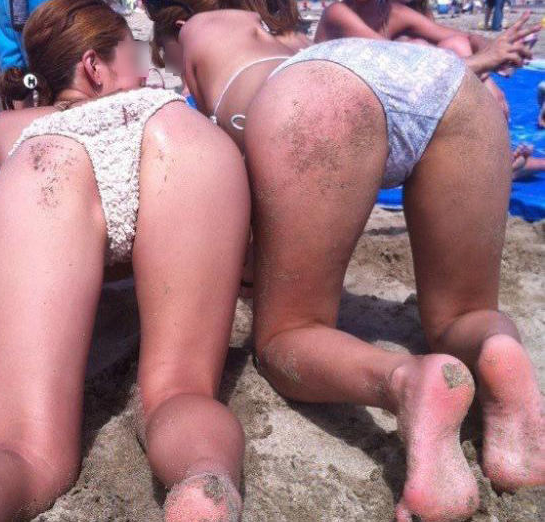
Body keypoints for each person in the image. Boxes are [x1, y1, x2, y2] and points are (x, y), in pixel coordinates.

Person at [148, 2, 545, 520]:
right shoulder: (281, 29)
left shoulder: (199, 29)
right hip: (445, 83)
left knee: (287, 338)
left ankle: (406, 381)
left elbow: (223, 171)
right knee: (462, 314)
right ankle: (496, 347)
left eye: (166, 57)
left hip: (319, 98)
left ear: (177, 26)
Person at [0, 1, 251, 521]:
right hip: (180, 149)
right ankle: (205, 479)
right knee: (180, 393)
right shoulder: (164, 107)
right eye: (135, 55)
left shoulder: (11, 126)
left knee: (24, 455)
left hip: (48, 167)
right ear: (94, 66)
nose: (146, 70)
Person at [313, 0, 535, 118]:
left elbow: (464, 37)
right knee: (418, 47)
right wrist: (484, 64)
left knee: (455, 44)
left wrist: (496, 48)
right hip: (336, 112)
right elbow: (403, 66)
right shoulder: (337, 13)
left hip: (382, 105)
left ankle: (489, 146)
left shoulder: (392, 11)